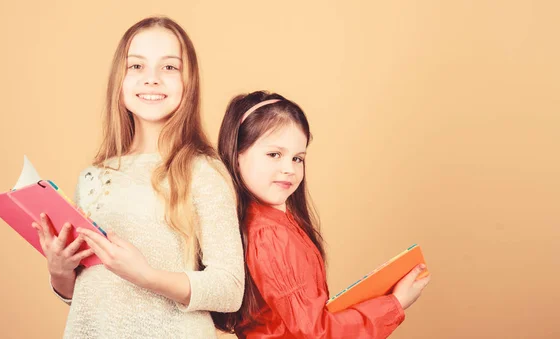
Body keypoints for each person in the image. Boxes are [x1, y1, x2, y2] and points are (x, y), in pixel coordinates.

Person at [31, 16, 244, 338]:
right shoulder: (92, 178)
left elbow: (229, 289)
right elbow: (91, 293)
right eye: (136, 67)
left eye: (169, 67)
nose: (152, 79)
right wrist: (59, 271)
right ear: (119, 80)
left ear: (190, 82)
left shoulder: (202, 171)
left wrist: (146, 276)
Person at [216, 90, 431, 338]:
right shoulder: (269, 233)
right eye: (274, 154)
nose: (289, 169)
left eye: (298, 158)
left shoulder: (275, 222)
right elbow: (316, 333)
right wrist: (394, 304)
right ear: (237, 155)